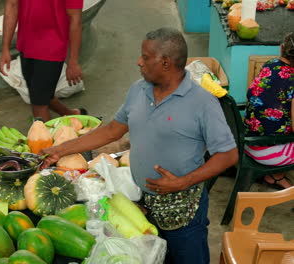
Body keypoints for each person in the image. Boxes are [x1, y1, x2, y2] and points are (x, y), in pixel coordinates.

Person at [40, 27, 238, 264]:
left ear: (165, 63)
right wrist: (59, 150)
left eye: (145, 57)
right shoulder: (138, 90)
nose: (138, 62)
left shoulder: (202, 103)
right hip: (141, 203)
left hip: (183, 208)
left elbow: (228, 155)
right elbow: (113, 130)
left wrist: (183, 181)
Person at [0, 0, 86, 121]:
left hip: (52, 47)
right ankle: (70, 114)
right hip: (26, 45)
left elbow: (75, 20)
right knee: (40, 93)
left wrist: (73, 61)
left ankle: (46, 138)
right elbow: (12, 5)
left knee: (38, 104)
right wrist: (5, 48)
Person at [244, 32, 294, 190]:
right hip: (268, 152)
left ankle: (275, 176)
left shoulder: (270, 64)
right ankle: (276, 175)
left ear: (281, 49)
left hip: (246, 142)